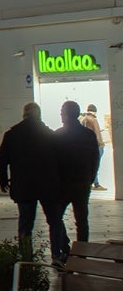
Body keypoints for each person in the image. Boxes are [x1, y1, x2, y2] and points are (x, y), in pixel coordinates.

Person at [0, 102, 68, 262]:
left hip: (23, 187)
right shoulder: (50, 134)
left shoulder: (12, 135)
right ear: (39, 115)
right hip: (47, 186)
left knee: (25, 224)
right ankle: (57, 254)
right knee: (55, 221)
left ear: (24, 115)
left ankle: (26, 257)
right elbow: (60, 161)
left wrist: (3, 181)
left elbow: (1, 161)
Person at [54, 100, 100, 251]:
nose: (61, 114)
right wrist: (90, 178)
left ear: (67, 115)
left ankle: (64, 248)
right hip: (82, 184)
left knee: (55, 218)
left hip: (63, 185)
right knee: (82, 221)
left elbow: (52, 161)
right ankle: (82, 253)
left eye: (62, 112)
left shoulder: (58, 135)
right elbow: (95, 159)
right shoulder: (88, 135)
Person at [80, 104, 107, 190]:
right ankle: (97, 184)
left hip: (87, 146)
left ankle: (90, 183)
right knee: (96, 165)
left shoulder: (83, 119)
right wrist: (101, 144)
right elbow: (97, 134)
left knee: (90, 165)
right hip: (96, 146)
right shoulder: (94, 120)